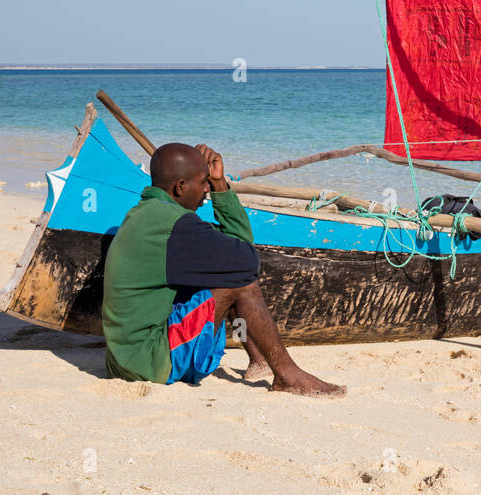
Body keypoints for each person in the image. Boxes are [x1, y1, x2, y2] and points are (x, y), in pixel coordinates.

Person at [102, 141, 344, 397]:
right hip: (151, 361)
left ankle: (258, 360)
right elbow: (247, 261)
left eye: (209, 183)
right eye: (203, 182)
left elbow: (233, 254)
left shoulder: (142, 214)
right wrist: (221, 188)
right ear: (180, 187)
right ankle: (287, 375)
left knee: (220, 269)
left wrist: (217, 184)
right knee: (241, 284)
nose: (206, 189)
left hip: (123, 359)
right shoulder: (175, 225)